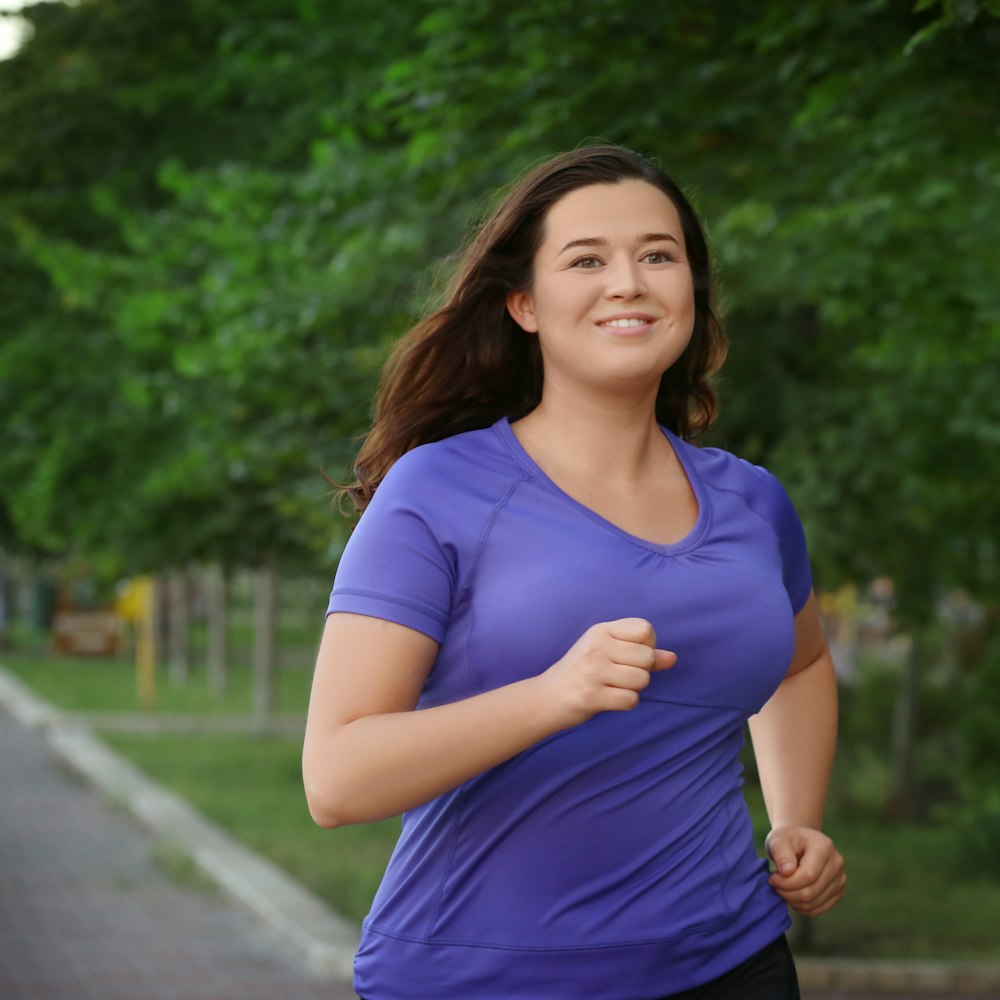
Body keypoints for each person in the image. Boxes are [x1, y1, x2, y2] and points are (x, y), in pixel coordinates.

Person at [303, 144, 846, 1000]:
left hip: (733, 964)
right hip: (482, 979)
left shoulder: (753, 502)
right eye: (586, 259)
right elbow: (336, 779)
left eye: (658, 256)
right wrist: (553, 695)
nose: (628, 281)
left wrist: (797, 819)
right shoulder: (439, 490)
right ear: (524, 303)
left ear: (691, 292)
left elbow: (803, 662)